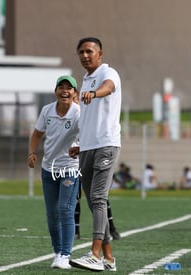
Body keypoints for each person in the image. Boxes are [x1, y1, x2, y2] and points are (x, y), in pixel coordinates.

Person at [68, 36, 121, 272]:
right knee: (93, 202)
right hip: (88, 148)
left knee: (99, 198)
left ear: (100, 53)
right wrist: (81, 143)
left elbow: (108, 88)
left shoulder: (107, 73)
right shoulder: (86, 79)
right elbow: (90, 119)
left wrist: (96, 93)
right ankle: (109, 258)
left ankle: (95, 253)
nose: (85, 55)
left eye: (89, 51)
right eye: (81, 52)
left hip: (105, 145)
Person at [28, 75, 81, 269]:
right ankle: (58, 252)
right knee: (52, 213)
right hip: (48, 168)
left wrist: (80, 148)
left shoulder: (78, 113)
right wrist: (32, 153)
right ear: (55, 91)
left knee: (65, 210)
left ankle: (66, 255)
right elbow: (37, 134)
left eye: (69, 88)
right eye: (61, 87)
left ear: (75, 93)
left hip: (69, 169)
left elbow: (89, 138)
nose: (65, 91)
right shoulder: (47, 110)